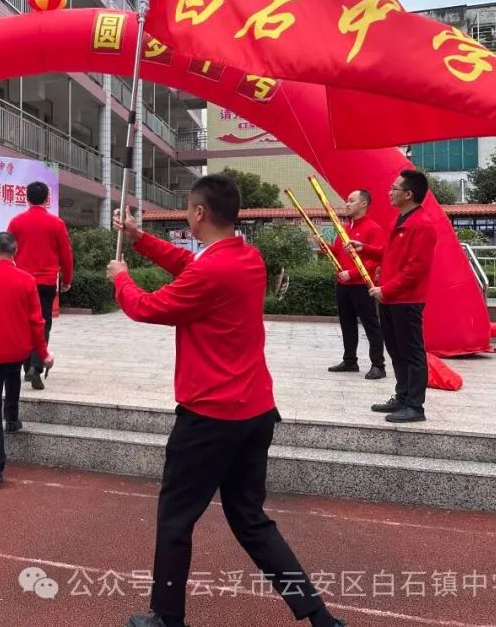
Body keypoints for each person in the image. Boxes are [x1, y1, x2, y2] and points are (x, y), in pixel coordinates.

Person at [107, 174, 344, 627]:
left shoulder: (212, 270)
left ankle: (166, 617)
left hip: (210, 418)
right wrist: (140, 240)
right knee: (251, 520)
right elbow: (188, 265)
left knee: (176, 519)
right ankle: (318, 615)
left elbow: (148, 308)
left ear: (198, 213)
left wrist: (121, 279)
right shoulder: (246, 257)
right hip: (255, 412)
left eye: (188, 210)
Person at [349, 170, 437, 424]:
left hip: (405, 300)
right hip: (390, 299)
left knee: (411, 352)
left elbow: (416, 269)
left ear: (408, 194)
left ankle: (415, 406)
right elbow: (389, 254)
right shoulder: (401, 220)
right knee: (396, 351)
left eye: (394, 188)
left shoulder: (422, 224)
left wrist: (386, 289)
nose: (389, 192)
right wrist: (365, 249)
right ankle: (402, 396)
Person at [0, 232, 53, 487]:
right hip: (17, 350)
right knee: (13, 377)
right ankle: (13, 419)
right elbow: (37, 322)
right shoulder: (27, 281)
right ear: (15, 252)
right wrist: (44, 353)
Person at [6, 181, 73, 390]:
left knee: (24, 324)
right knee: (42, 323)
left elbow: (7, 249)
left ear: (26, 198)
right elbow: (66, 255)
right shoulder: (56, 224)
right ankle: (36, 365)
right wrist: (67, 279)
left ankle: (28, 367)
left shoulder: (16, 222)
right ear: (47, 199)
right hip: (46, 283)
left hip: (22, 281)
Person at [327, 189, 386, 379]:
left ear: (364, 204)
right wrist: (323, 245)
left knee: (371, 324)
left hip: (362, 285)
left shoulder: (373, 229)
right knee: (347, 323)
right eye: (347, 200)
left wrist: (351, 274)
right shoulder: (344, 228)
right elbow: (337, 251)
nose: (347, 204)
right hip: (343, 284)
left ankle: (378, 364)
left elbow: (375, 260)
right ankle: (350, 360)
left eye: (351, 200)